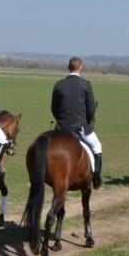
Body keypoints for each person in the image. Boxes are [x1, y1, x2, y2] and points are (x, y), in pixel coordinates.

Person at [51, 57, 103, 188]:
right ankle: (96, 178)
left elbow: (54, 108)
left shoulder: (59, 84)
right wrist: (87, 121)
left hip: (61, 127)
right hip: (80, 127)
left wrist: (61, 121)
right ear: (81, 68)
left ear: (68, 68)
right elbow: (91, 110)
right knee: (97, 146)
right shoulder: (86, 85)